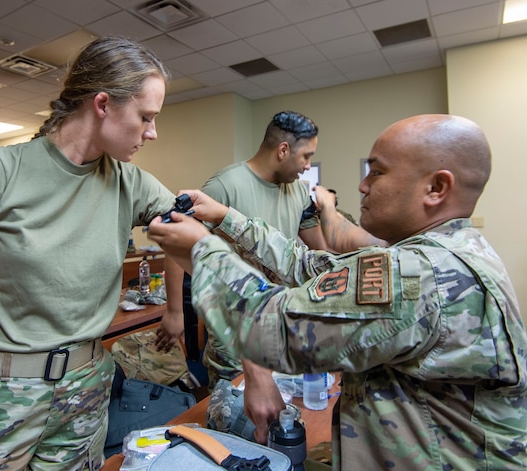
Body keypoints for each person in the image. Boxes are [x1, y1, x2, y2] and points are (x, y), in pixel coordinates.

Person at [147, 114, 527, 471]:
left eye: (376, 172)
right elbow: (307, 265)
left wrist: (203, 251)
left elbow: (270, 328)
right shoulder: (445, 251)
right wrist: (225, 218)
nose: (362, 185)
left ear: (436, 188)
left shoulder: (418, 274)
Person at [0, 36, 177, 471]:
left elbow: (192, 231)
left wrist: (181, 303)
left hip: (83, 398)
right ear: (103, 104)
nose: (152, 132)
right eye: (146, 117)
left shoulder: (130, 183)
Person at [158, 111, 381, 443]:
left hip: (283, 324)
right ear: (283, 150)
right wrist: (175, 311)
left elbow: (307, 256)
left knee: (284, 419)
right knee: (235, 421)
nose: (308, 166)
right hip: (237, 323)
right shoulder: (225, 185)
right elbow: (181, 243)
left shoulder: (296, 191)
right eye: (306, 157)